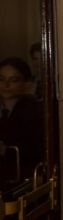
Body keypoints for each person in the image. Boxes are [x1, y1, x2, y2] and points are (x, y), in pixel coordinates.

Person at [0, 57, 43, 187]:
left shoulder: (34, 110)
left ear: (26, 83)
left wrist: (5, 150)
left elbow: (36, 148)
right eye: (1, 79)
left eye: (13, 80)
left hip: (22, 182)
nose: (6, 85)